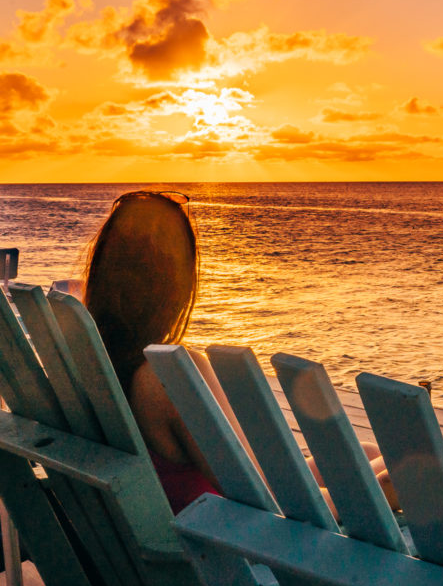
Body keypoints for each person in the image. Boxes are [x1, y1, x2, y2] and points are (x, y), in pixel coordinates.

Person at [83, 190, 396, 515]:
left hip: (194, 524)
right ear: (176, 281)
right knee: (403, 475)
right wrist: (388, 486)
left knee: (369, 452)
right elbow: (273, 503)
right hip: (244, 546)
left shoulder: (90, 363)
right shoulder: (169, 373)